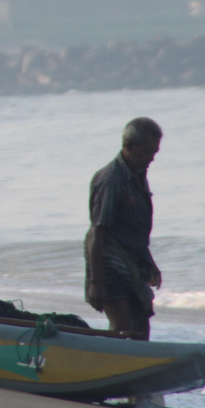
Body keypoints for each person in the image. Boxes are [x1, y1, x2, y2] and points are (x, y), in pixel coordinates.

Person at [84, 117, 163, 339]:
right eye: (148, 151)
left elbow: (135, 230)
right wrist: (95, 283)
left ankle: (141, 368)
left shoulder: (138, 175)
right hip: (107, 259)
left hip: (133, 260)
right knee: (122, 324)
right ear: (129, 147)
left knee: (142, 322)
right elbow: (97, 234)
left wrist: (151, 263)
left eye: (155, 151)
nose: (152, 158)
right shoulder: (110, 181)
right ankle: (111, 365)